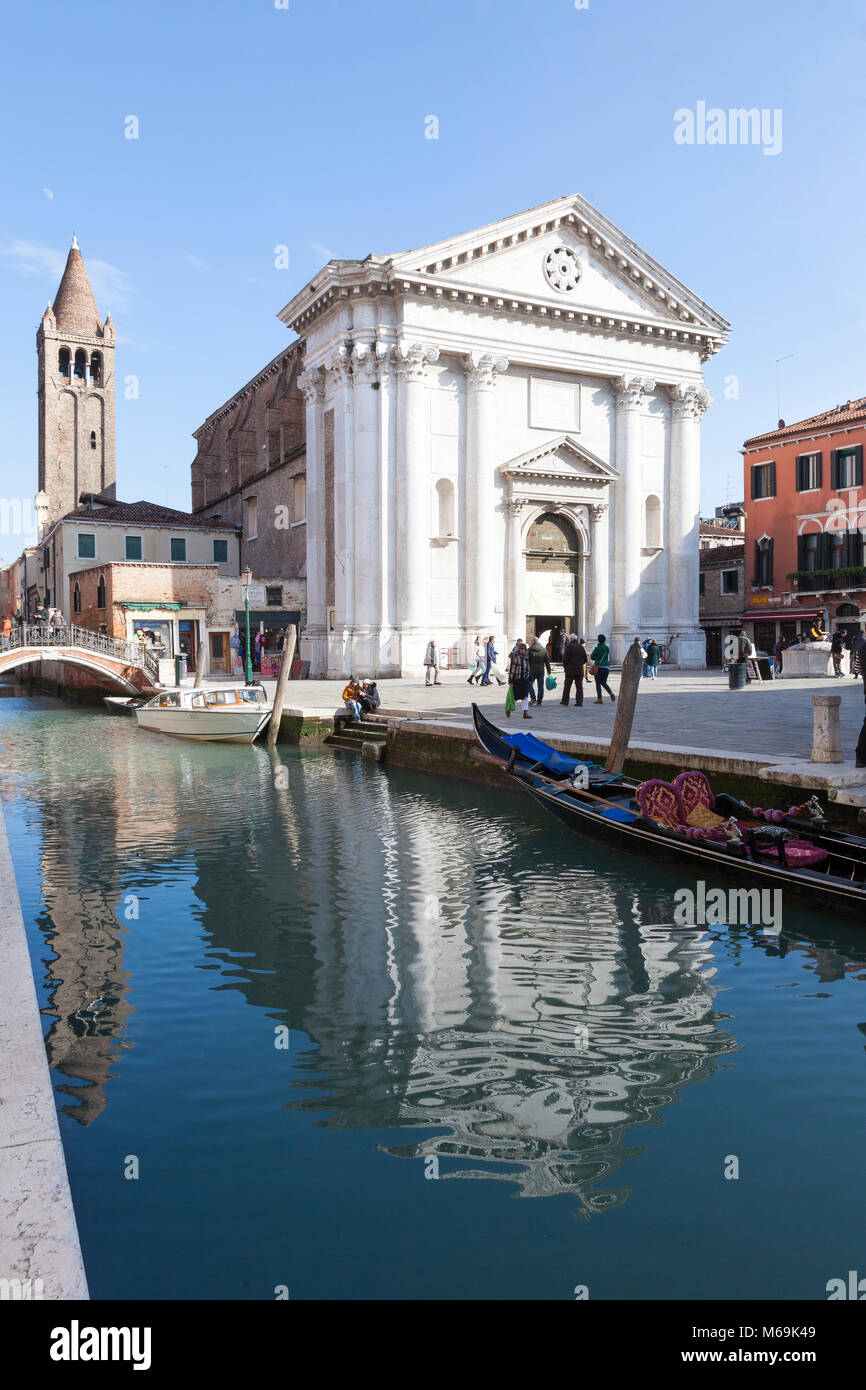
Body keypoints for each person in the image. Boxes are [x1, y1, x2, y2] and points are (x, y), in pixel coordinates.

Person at [507, 640, 532, 719]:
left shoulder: (527, 657)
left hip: (525, 679)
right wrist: (510, 681)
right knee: (515, 696)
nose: (523, 650)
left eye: (524, 648)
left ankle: (525, 713)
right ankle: (509, 709)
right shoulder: (515, 657)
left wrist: (530, 678)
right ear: (518, 649)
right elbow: (512, 670)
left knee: (525, 697)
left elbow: (529, 668)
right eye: (521, 648)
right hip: (517, 679)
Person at [560, 634, 587, 707]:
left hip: (570, 670)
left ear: (571, 639)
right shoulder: (581, 647)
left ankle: (565, 701)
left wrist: (565, 666)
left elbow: (565, 659)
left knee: (567, 686)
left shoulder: (569, 647)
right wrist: (579, 664)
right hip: (579, 670)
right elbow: (585, 659)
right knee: (579, 687)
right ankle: (579, 702)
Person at [590, 634, 616, 703]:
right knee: (604, 682)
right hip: (606, 667)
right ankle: (610, 693)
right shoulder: (607, 648)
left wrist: (597, 659)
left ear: (598, 640)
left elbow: (592, 657)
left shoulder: (597, 648)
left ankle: (599, 698)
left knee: (598, 683)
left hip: (598, 667)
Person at [527, 635, 551, 706]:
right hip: (541, 671)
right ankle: (539, 701)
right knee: (540, 686)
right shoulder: (544, 650)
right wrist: (549, 671)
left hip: (532, 671)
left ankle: (533, 698)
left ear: (533, 642)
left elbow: (527, 661)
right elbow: (547, 662)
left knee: (528, 684)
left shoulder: (530, 650)